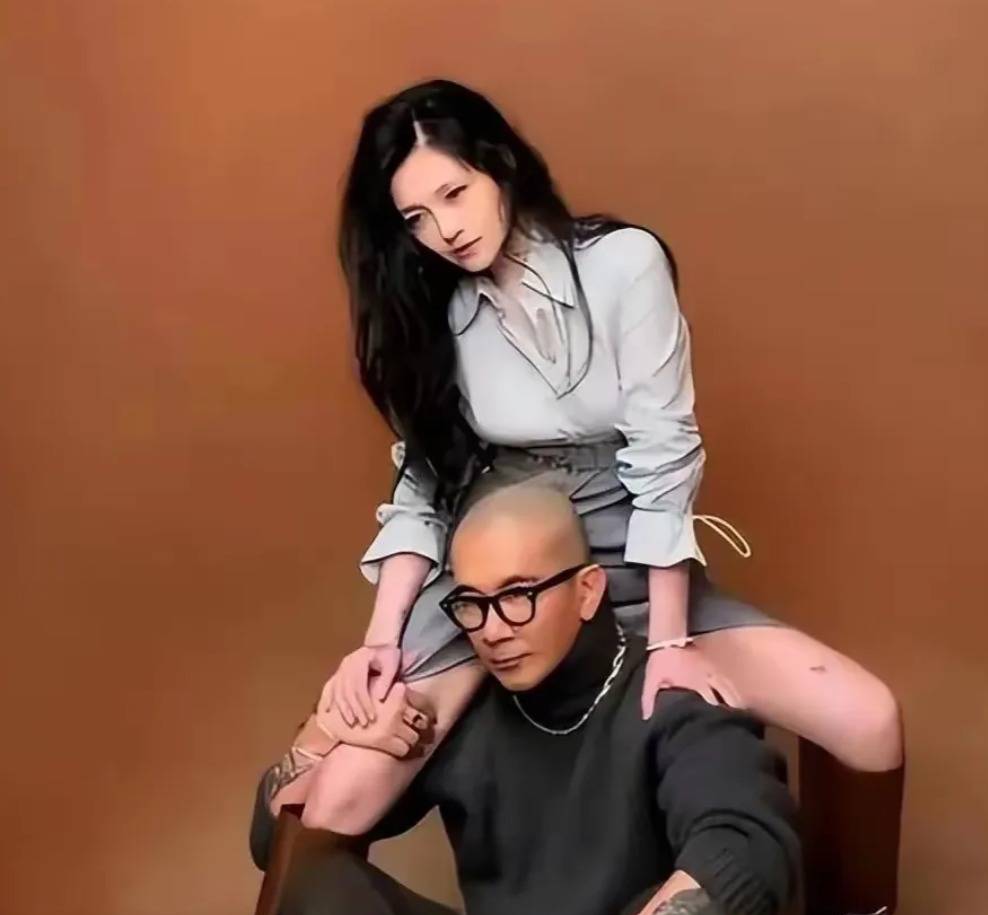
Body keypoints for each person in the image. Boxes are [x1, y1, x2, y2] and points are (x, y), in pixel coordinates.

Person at [307, 78, 902, 838]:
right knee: (342, 797)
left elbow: (664, 455)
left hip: (629, 546)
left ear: (501, 165)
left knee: (868, 719)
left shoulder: (622, 264)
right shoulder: (432, 311)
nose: (444, 231)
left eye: (454, 193)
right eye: (415, 218)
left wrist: (670, 640)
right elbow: (423, 488)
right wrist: (381, 642)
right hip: (497, 569)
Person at [251, 484, 801, 915]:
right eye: (472, 604)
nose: (492, 629)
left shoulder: (671, 697)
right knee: (323, 881)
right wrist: (329, 727)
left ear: (587, 590)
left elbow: (751, 855)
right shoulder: (460, 709)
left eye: (518, 595)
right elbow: (280, 845)